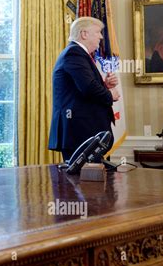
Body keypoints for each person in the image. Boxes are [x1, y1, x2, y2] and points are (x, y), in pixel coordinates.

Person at [48, 17, 120, 161]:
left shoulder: (77, 54)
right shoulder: (74, 53)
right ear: (84, 34)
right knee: (84, 181)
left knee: (89, 180)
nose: (101, 36)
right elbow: (88, 88)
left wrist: (104, 85)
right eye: (98, 32)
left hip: (84, 131)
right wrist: (110, 94)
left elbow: (81, 87)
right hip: (81, 132)